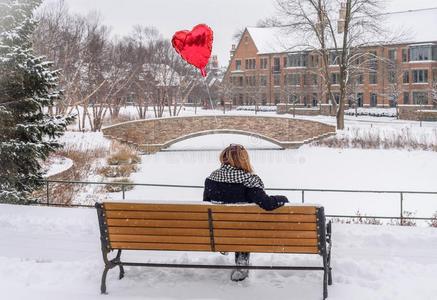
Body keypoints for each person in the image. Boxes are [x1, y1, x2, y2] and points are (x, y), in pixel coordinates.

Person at [203, 144, 288, 282]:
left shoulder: (211, 180)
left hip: (219, 232)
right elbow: (267, 204)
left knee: (235, 224)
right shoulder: (249, 181)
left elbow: (206, 205)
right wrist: (283, 199)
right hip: (243, 232)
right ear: (243, 160)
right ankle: (241, 263)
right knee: (243, 226)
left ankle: (234, 253)